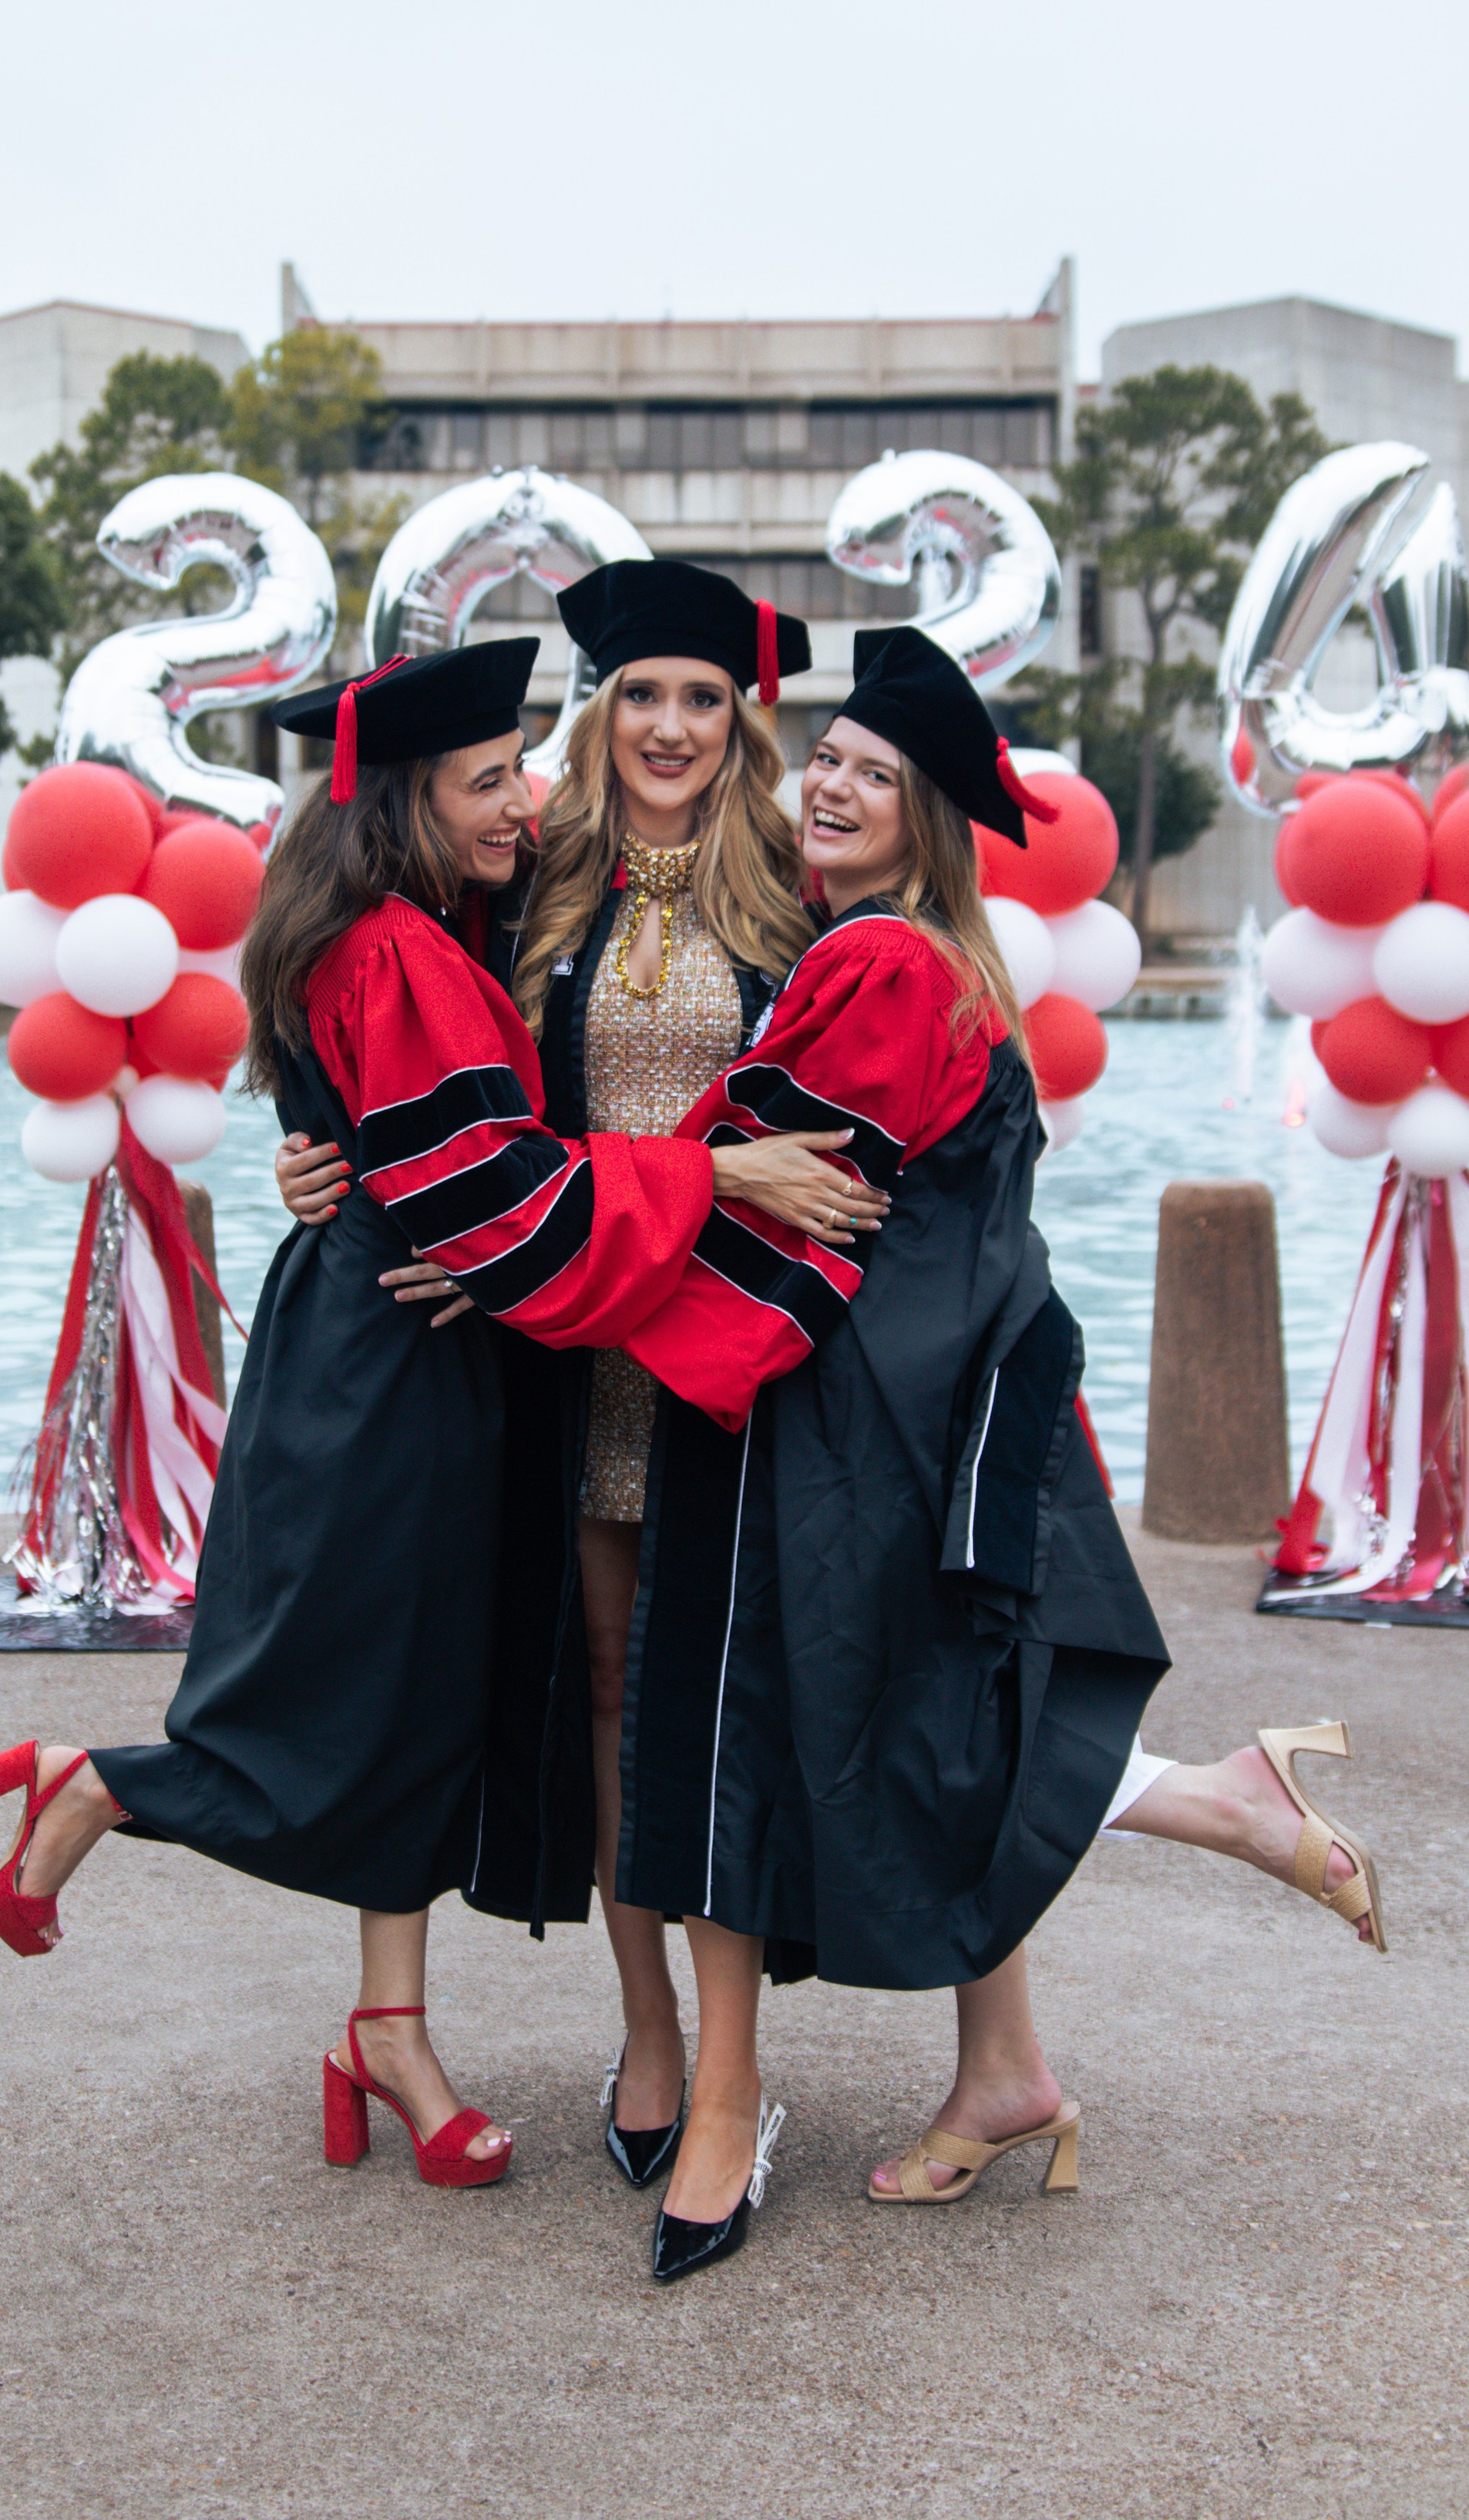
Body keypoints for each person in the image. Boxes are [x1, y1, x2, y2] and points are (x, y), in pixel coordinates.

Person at [0, 640, 866, 2193]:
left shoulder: (437, 923)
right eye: (489, 780)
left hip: (458, 1346)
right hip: (402, 1355)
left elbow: (444, 1147)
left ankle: (388, 2028)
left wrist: (353, 1168)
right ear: (408, 806)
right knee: (356, 1687)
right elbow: (487, 1196)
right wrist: (711, 1176)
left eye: (516, 770)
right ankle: (108, 1786)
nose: (524, 801)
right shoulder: (400, 950)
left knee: (427, 1694)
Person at [601, 627, 1386, 2279]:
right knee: (935, 1710)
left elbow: (754, 1173)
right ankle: (1004, 2071)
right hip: (902, 1397)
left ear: (924, 825)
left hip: (852, 1419)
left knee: (884, 1727)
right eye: (821, 758)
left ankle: (1234, 1810)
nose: (825, 783)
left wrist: (591, 1204)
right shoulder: (899, 955)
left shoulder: (880, 969)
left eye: (870, 779)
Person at [276, 564, 887, 2191]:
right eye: (640, 697)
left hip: (743, 1363)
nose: (671, 727)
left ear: (740, 719)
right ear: (595, 714)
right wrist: (320, 1148)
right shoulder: (530, 877)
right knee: (616, 1703)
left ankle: (730, 2078)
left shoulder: (798, 885)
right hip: (574, 1356)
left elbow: (897, 1087)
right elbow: (365, 984)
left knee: (726, 1712)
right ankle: (651, 2036)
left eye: (701, 698)